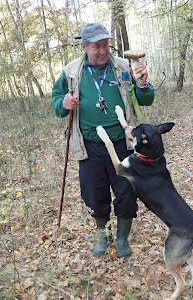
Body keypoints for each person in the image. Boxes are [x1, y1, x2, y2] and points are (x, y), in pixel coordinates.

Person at [51, 23, 154, 258]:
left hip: (122, 144)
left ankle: (122, 239)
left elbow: (146, 99)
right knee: (94, 194)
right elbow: (57, 102)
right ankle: (103, 236)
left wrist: (142, 85)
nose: (103, 51)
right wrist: (63, 104)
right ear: (84, 46)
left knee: (127, 191)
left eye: (106, 45)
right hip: (89, 146)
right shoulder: (71, 72)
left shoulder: (123, 67)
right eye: (96, 46)